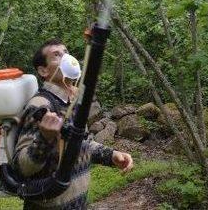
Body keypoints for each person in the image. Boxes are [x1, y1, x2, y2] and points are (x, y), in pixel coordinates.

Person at [13, 38, 133, 210]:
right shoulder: (40, 106)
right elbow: (22, 167)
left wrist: (111, 155)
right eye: (56, 55)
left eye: (66, 53)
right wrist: (44, 139)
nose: (65, 57)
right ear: (43, 70)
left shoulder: (71, 103)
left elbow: (80, 144)